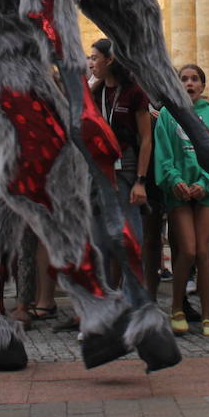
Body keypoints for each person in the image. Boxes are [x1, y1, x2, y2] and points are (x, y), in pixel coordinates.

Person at [154, 64, 209, 337]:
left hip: (207, 188)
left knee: (204, 253)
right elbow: (164, 152)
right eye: (184, 79)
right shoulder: (168, 114)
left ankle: (207, 315)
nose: (189, 84)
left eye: (195, 79)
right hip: (179, 188)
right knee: (188, 251)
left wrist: (205, 183)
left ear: (203, 85)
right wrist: (175, 181)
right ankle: (177, 308)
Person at [88, 39, 159, 293]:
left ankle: (135, 305)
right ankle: (104, 306)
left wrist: (140, 181)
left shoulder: (134, 92)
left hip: (127, 167)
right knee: (99, 241)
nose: (91, 63)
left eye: (95, 57)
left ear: (110, 60)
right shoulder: (95, 93)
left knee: (130, 239)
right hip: (97, 170)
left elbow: (146, 138)